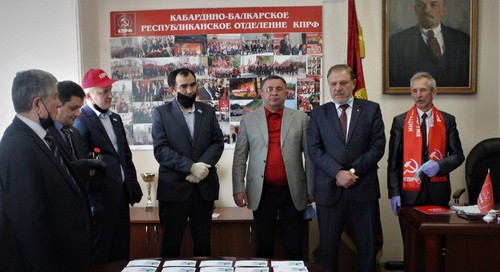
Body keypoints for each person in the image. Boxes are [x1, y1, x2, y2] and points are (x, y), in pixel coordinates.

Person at [0, 69, 91, 271]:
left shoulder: (42, 137)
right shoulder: (18, 145)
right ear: (37, 104)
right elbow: (28, 222)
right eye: (55, 97)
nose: (59, 103)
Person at [307, 64, 386, 272]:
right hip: (329, 190)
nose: (338, 88)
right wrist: (337, 173)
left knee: (366, 247)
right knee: (328, 247)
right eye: (333, 84)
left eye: (343, 83)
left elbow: (377, 146)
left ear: (353, 83)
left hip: (363, 188)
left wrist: (351, 173)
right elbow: (314, 150)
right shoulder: (317, 113)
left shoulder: (371, 110)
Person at [232, 75, 314, 260]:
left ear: (286, 93)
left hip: (293, 190)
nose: (274, 93)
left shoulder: (301, 118)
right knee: (264, 244)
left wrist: (311, 188)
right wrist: (238, 188)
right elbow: (240, 157)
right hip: (261, 191)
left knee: (294, 244)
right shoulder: (249, 120)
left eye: (279, 89)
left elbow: (310, 157)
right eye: (269, 89)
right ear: (261, 93)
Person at [387, 72, 464, 266]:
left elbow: (458, 155)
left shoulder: (447, 120)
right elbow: (393, 162)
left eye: (423, 90)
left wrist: (439, 165)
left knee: (436, 248)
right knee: (411, 247)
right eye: (414, 91)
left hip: (438, 193)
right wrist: (393, 192)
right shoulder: (400, 121)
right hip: (408, 195)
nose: (418, 95)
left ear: (433, 92)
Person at [152, 68, 224, 257]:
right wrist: (190, 167)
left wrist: (201, 168)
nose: (190, 90)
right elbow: (161, 150)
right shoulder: (161, 113)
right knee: (170, 245)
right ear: (172, 89)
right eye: (183, 86)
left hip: (203, 189)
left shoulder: (207, 111)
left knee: (203, 246)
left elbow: (217, 142)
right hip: (174, 190)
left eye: (192, 84)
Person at [74, 68, 143, 266]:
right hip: (101, 198)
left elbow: (125, 156)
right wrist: (94, 201)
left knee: (122, 250)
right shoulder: (81, 120)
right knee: (101, 252)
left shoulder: (115, 118)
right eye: (103, 91)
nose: (110, 95)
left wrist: (132, 185)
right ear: (88, 95)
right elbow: (85, 165)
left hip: (121, 195)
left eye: (110, 90)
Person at [389, 0, 470, 87]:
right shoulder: (398, 42)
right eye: (421, 5)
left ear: (444, 10)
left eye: (433, 4)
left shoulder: (462, 40)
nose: (427, 10)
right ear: (415, 10)